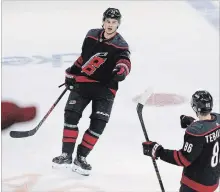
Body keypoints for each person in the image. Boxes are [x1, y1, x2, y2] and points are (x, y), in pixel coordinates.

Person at [52, 8, 131, 176]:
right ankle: (66, 155)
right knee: (71, 116)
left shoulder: (121, 45)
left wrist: (121, 70)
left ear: (118, 24)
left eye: (114, 22)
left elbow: (125, 61)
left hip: (105, 88)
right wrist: (71, 74)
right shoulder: (91, 35)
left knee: (98, 124)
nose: (110, 25)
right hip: (83, 83)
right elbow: (83, 57)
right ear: (103, 21)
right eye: (108, 21)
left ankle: (81, 158)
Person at [142, 90, 220, 192]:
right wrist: (194, 122)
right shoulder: (218, 119)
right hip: (212, 182)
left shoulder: (195, 133)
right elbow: (208, 133)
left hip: (195, 185)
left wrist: (158, 151)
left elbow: (183, 159)